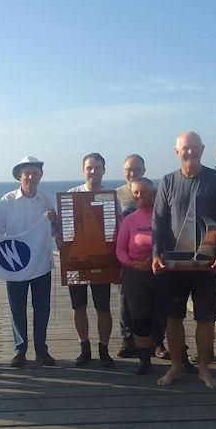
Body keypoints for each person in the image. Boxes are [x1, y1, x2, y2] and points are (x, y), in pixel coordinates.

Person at [152, 131, 216, 389]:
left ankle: (204, 369)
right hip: (174, 265)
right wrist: (155, 254)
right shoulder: (167, 181)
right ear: (177, 152)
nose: (190, 152)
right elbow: (159, 220)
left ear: (203, 149)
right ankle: (175, 366)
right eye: (185, 148)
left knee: (206, 319)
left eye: (195, 147)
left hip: (207, 264)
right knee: (173, 317)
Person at [0, 156, 59, 367]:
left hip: (40, 264)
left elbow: (54, 232)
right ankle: (20, 349)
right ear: (19, 176)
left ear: (40, 176)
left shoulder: (46, 200)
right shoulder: (7, 201)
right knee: (17, 308)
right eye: (27, 173)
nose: (31, 177)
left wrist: (54, 220)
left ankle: (41, 349)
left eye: (35, 173)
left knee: (42, 308)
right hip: (15, 265)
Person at [68, 153, 116, 368]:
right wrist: (55, 225)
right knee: (78, 306)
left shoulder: (111, 196)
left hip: (102, 259)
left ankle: (104, 349)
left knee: (103, 307)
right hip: (75, 260)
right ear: (83, 170)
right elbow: (63, 228)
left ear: (104, 170)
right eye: (89, 167)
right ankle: (84, 348)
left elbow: (119, 226)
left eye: (97, 167)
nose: (93, 171)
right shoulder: (71, 195)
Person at [115, 177, 166, 375]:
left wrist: (156, 259)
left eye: (143, 192)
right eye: (135, 192)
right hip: (134, 274)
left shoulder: (163, 216)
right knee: (139, 318)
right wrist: (131, 263)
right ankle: (144, 359)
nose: (139, 196)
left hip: (159, 272)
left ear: (153, 194)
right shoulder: (129, 220)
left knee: (161, 315)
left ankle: (160, 346)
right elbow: (120, 250)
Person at [115, 154, 148, 359]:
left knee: (152, 301)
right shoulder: (116, 194)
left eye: (136, 169)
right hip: (123, 253)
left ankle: (155, 340)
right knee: (124, 299)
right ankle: (128, 339)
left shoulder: (152, 191)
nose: (132, 173)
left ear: (143, 170)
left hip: (149, 256)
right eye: (128, 169)